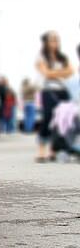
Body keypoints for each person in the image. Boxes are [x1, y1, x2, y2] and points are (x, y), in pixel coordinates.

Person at [35, 30, 74, 163]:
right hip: (49, 91)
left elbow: (71, 71)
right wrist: (61, 72)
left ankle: (53, 149)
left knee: (62, 121)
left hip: (63, 91)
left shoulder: (63, 57)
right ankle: (41, 149)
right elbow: (46, 74)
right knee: (47, 118)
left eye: (57, 39)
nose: (55, 42)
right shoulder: (41, 57)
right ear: (46, 42)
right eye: (52, 39)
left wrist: (55, 72)